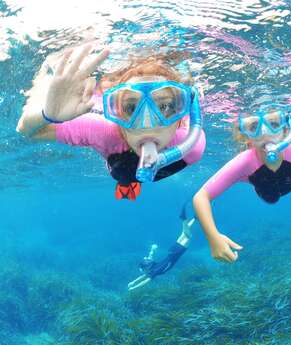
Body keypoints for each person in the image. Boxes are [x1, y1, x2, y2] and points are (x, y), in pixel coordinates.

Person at [16, 44, 205, 283]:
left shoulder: (192, 145)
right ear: (114, 110)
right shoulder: (102, 130)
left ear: (182, 114)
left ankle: (129, 181)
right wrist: (47, 113)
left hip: (157, 164)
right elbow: (26, 129)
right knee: (123, 174)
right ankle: (127, 183)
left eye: (165, 106)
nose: (147, 123)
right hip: (120, 166)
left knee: (127, 175)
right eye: (130, 107)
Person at [193, 104, 291, 263]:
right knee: (271, 199)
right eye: (254, 126)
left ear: (286, 129)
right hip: (263, 184)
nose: (265, 133)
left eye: (273, 124)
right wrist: (213, 237)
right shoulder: (244, 162)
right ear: (246, 135)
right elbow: (201, 196)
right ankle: (255, 181)